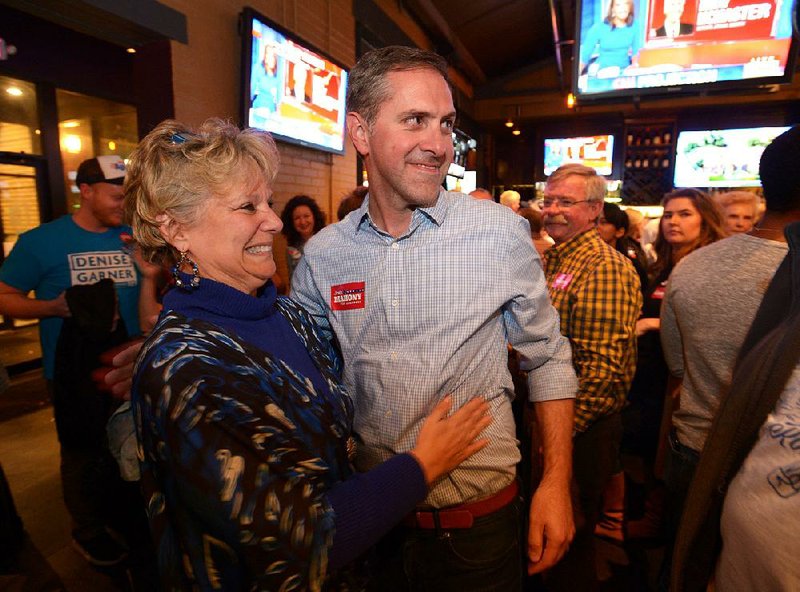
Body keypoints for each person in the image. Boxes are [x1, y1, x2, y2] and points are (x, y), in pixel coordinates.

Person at [125, 118, 493, 591]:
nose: (275, 222)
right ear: (175, 229)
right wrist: (421, 467)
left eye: (270, 203)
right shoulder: (185, 367)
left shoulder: (285, 315)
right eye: (247, 207)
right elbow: (293, 544)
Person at [291, 46, 578, 591]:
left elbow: (547, 356)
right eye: (415, 120)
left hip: (476, 533)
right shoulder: (324, 255)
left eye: (445, 124)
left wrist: (556, 483)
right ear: (360, 132)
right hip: (370, 530)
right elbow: (302, 374)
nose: (438, 144)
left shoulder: (497, 233)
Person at [0, 155, 153, 567]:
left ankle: (122, 516)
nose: (123, 205)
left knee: (126, 444)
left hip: (128, 366)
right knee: (82, 452)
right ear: (84, 191)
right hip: (72, 373)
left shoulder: (132, 237)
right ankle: (87, 530)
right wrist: (54, 308)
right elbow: (4, 294)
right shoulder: (42, 242)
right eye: (116, 196)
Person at [668, 126, 800, 591]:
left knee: (685, 567)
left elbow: (679, 366)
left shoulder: (692, 266)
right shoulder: (788, 273)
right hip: (772, 475)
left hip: (693, 450)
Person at [538, 163, 642, 590]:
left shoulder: (603, 267)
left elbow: (600, 374)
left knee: (570, 540)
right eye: (548, 201)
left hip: (584, 429)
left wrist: (555, 437)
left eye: (566, 202)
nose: (553, 210)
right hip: (557, 420)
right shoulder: (555, 259)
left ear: (596, 209)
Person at [598, 201, 649, 295]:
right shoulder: (583, 257)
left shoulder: (627, 264)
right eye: (593, 221)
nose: (596, 227)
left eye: (603, 222)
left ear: (619, 232)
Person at [580, 0, 641, 76]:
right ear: (612, 8)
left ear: (630, 6)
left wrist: (634, 65)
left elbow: (635, 52)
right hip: (602, 73)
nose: (623, 8)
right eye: (618, 5)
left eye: (626, 4)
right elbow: (585, 56)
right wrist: (577, 78)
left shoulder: (635, 25)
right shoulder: (599, 28)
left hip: (624, 72)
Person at [280, 194, 326, 284]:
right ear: (291, 222)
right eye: (297, 218)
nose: (302, 222)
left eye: (306, 216)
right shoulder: (291, 250)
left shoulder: (327, 241)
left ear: (314, 217)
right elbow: (292, 280)